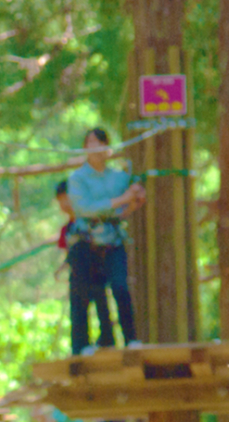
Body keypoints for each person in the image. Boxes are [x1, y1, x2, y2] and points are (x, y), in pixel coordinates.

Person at [65, 128, 146, 355]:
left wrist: (134, 197)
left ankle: (131, 338)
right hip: (86, 243)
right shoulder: (77, 179)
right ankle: (83, 344)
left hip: (112, 240)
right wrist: (122, 199)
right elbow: (84, 208)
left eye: (99, 142)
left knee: (120, 287)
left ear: (107, 148)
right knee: (86, 293)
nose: (94, 147)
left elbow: (131, 197)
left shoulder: (118, 178)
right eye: (89, 142)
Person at [55, 180, 110, 350]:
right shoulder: (67, 229)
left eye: (67, 198)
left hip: (95, 271)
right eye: (61, 200)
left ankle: (107, 340)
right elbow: (67, 252)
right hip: (77, 276)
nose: (65, 204)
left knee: (101, 305)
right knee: (78, 309)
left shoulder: (91, 221)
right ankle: (80, 345)